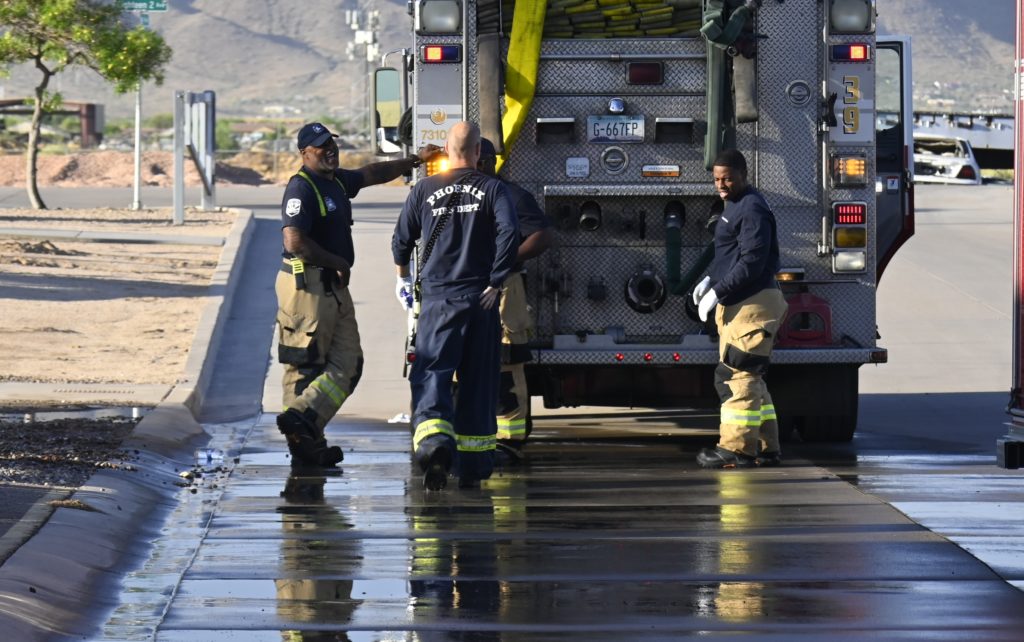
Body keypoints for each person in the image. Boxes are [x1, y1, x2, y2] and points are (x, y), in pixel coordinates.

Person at [276, 121, 439, 467]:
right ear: (305, 153)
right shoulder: (301, 188)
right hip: (307, 288)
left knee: (349, 364)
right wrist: (336, 261)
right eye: (322, 146)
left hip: (333, 286)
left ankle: (304, 421)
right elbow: (294, 241)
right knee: (305, 365)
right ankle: (305, 447)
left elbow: (371, 173)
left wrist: (415, 160)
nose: (330, 150)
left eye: (332, 144)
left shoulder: (336, 181)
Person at [392, 121, 519, 490]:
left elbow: (401, 240)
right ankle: (474, 468)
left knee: (432, 374)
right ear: (478, 152)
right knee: (479, 384)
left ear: (447, 151)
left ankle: (435, 446)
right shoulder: (493, 189)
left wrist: (403, 278)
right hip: (481, 300)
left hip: (439, 301)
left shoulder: (424, 189)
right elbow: (510, 232)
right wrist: (496, 280)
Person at [692, 148, 788, 469]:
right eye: (717, 179)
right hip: (743, 301)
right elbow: (732, 255)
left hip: (753, 302)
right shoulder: (735, 205)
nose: (721, 185)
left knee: (737, 375)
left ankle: (736, 449)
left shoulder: (752, 208)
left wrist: (718, 291)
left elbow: (752, 262)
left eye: (728, 179)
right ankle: (764, 446)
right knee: (751, 376)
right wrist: (710, 279)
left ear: (744, 175)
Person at [476, 137, 554, 462]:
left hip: (504, 289)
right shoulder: (454, 193)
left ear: (489, 162)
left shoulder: (513, 195)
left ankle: (508, 441)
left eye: (479, 159)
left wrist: (506, 259)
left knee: (507, 362)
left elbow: (541, 236)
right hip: (463, 288)